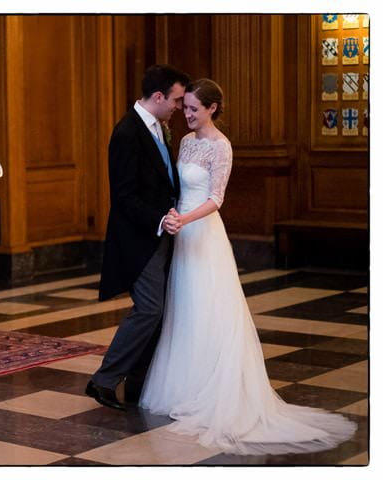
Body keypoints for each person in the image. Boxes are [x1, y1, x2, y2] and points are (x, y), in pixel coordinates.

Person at [139, 78, 356, 454]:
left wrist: (185, 220)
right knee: (185, 311)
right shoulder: (187, 142)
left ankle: (215, 391)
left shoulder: (221, 147)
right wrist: (172, 216)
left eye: (193, 108)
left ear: (212, 109)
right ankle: (185, 386)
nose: (186, 114)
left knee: (210, 310)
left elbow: (216, 199)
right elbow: (177, 188)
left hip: (203, 234)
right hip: (181, 230)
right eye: (185, 107)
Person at [86, 65, 190, 410]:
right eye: (176, 99)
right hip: (138, 238)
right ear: (158, 97)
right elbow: (124, 195)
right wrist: (160, 218)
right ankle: (103, 380)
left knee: (158, 312)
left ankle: (138, 384)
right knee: (149, 309)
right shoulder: (127, 133)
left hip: (161, 233)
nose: (179, 106)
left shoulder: (159, 127)